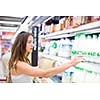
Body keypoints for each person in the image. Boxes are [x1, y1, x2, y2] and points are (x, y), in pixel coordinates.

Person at [8, 31, 85, 83]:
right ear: (21, 44)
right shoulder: (19, 64)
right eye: (29, 42)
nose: (33, 45)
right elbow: (45, 74)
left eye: (33, 42)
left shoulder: (22, 61)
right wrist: (71, 63)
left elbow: (33, 71)